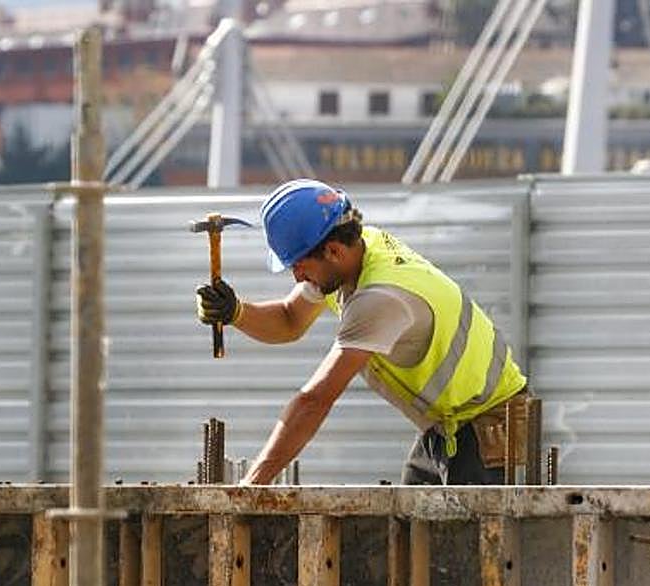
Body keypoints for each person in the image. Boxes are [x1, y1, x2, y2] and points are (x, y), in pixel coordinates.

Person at [195, 178, 529, 486]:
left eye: (299, 265)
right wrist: (235, 311)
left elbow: (314, 400)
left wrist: (251, 486)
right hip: (448, 427)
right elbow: (289, 319)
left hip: (492, 429)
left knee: (464, 533)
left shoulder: (380, 297)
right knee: (408, 525)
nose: (297, 277)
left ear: (333, 251)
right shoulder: (355, 251)